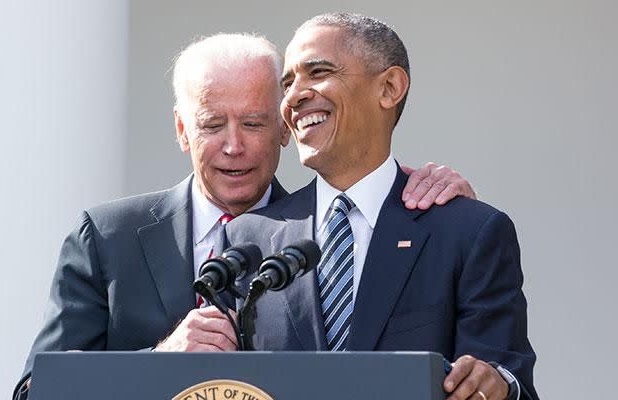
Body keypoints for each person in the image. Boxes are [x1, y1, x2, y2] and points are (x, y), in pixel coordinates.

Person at [13, 33, 476, 399]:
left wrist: (425, 200)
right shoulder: (108, 236)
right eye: (212, 125)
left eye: (254, 123)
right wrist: (158, 359)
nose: (234, 146)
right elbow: (35, 390)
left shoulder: (331, 236)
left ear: (285, 128)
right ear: (181, 129)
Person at [226, 13, 538, 400]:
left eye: (318, 72)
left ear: (389, 87)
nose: (293, 96)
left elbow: (511, 377)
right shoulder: (248, 238)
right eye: (287, 83)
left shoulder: (468, 232)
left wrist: (497, 384)